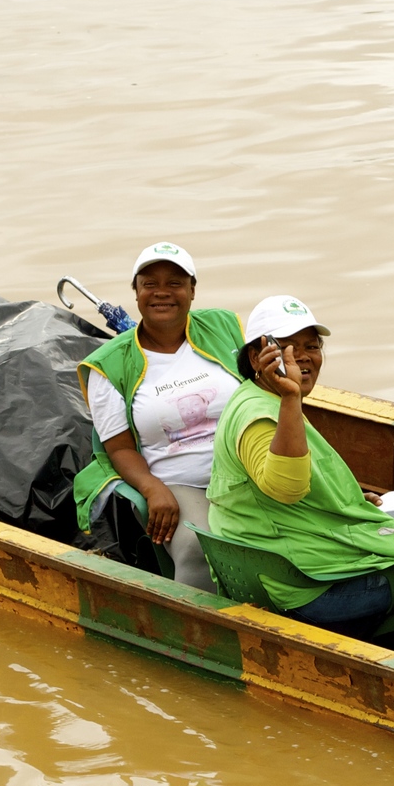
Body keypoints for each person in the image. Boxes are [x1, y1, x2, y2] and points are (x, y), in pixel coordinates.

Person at [203, 294, 394, 641]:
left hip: (289, 566)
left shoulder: (256, 398)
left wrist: (350, 502)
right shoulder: (260, 414)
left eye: (311, 346)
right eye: (287, 347)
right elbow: (286, 487)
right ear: (256, 356)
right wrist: (291, 396)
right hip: (306, 590)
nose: (302, 358)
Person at [70, 241, 245, 590]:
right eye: (150, 283)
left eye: (175, 283)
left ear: (193, 290)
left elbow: (268, 398)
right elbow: (118, 449)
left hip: (248, 467)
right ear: (135, 292)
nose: (162, 293)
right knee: (197, 548)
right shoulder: (110, 363)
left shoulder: (224, 325)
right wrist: (152, 489)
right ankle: (196, 636)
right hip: (181, 481)